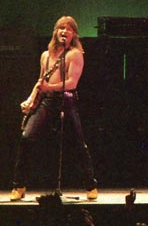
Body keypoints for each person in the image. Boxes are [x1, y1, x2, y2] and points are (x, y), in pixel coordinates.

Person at [10, 16, 98, 201]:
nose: (64, 32)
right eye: (60, 28)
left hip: (66, 99)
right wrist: (30, 99)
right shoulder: (45, 55)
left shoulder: (75, 54)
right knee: (27, 137)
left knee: (78, 143)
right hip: (47, 100)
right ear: (55, 31)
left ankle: (90, 185)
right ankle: (19, 185)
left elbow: (72, 83)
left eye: (68, 29)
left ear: (73, 34)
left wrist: (49, 87)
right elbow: (41, 82)